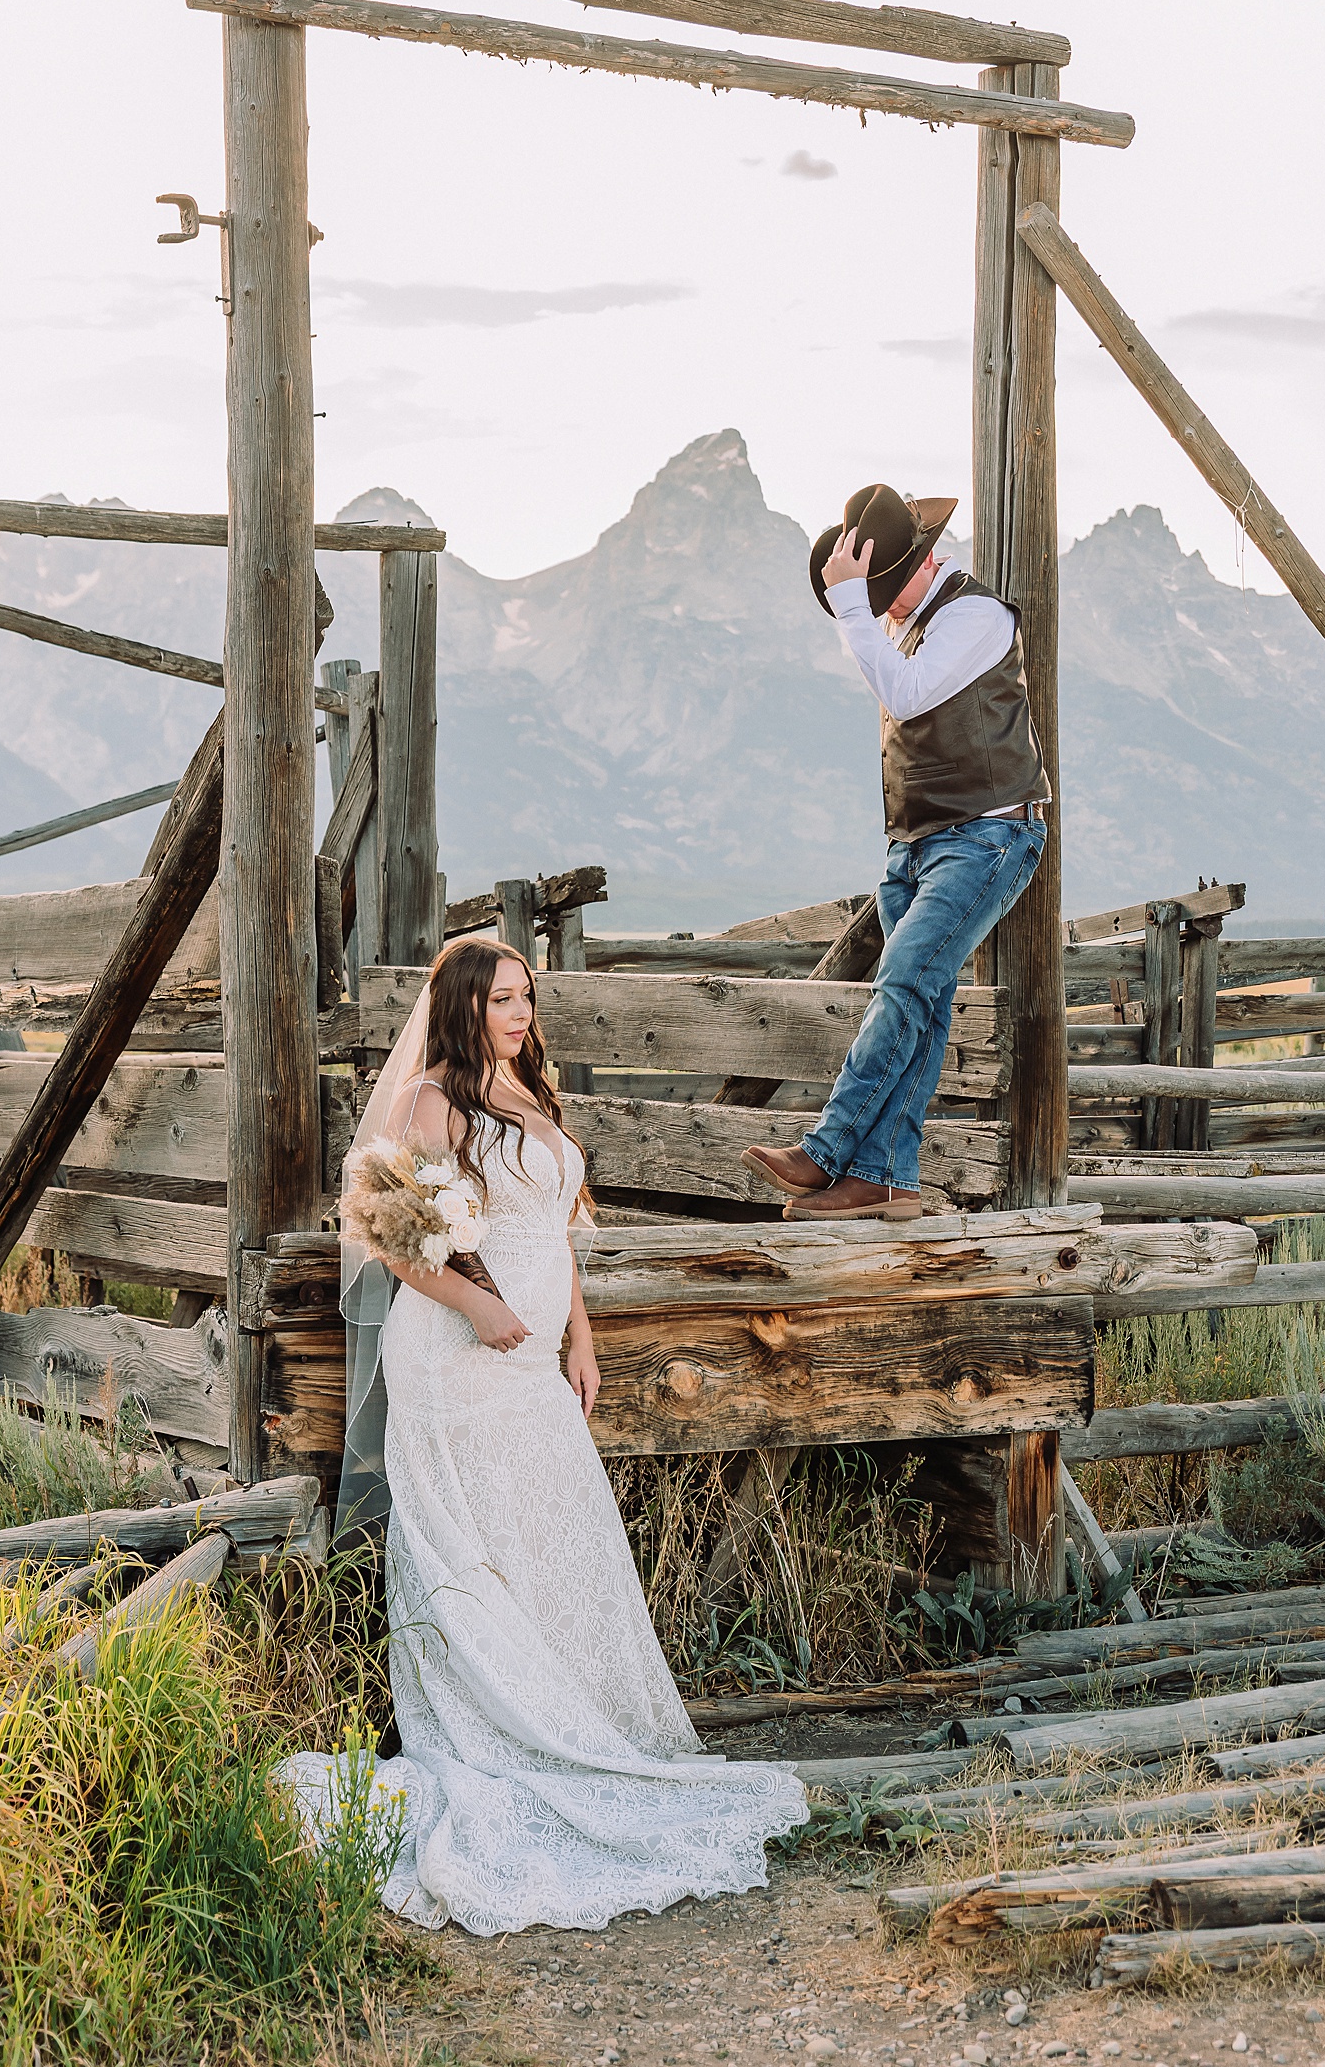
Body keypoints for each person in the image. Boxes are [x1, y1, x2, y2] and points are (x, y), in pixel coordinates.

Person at [279, 935, 805, 1934]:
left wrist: (581, 1338)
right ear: (464, 1007)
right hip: (450, 1352)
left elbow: (553, 1231)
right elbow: (392, 1235)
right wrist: (476, 1312)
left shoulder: (531, 1092)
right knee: (476, 1543)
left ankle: (581, 1721)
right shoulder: (433, 1099)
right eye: (501, 1000)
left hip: (533, 1358)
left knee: (553, 1532)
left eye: (526, 997)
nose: (519, 1015)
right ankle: (498, 1730)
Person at [744, 483, 1048, 1221]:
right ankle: (885, 1176)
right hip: (914, 844)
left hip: (988, 832)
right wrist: (861, 609)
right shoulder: (904, 623)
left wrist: (851, 607)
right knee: (924, 1003)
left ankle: (827, 1150)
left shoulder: (976, 614)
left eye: (881, 590)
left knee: (905, 982)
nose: (876, 606)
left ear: (924, 560)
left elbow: (910, 696)